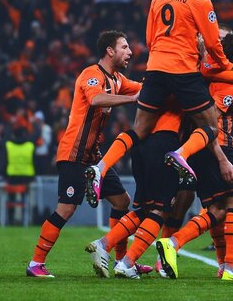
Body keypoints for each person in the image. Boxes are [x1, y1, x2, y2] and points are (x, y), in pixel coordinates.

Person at [85, 0, 233, 208]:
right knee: (211, 127)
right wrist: (227, 68)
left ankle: (101, 167)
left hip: (155, 68)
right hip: (183, 70)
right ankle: (180, 155)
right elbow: (213, 42)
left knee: (139, 130)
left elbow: (149, 38)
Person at [27, 30, 145, 278]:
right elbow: (95, 100)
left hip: (93, 158)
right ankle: (35, 263)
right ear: (110, 51)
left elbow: (144, 89)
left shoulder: (118, 79)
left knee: (122, 201)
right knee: (66, 209)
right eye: (124, 47)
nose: (130, 52)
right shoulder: (91, 74)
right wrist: (131, 99)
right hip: (73, 154)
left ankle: (122, 261)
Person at [156, 31, 233, 281]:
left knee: (216, 209)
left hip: (202, 150)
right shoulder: (228, 78)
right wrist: (222, 158)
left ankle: (176, 245)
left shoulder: (225, 77)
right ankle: (231, 269)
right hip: (219, 147)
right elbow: (212, 121)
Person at [85, 103, 182, 279]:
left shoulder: (150, 82)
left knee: (145, 210)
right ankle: (126, 263)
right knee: (160, 209)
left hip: (140, 142)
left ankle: (104, 244)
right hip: (163, 143)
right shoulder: (180, 79)